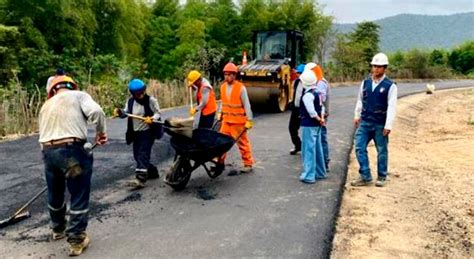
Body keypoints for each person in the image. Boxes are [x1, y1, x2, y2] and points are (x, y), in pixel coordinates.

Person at [39, 75, 107, 256]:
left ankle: (58, 229)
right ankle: (77, 239)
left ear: (52, 90)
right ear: (72, 86)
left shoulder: (46, 105)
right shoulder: (79, 95)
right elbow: (97, 112)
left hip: (48, 152)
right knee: (78, 192)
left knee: (55, 192)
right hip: (71, 151)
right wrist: (101, 133)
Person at [351, 53, 398, 187]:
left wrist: (388, 125)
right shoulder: (365, 83)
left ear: (384, 68)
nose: (376, 69)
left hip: (380, 123)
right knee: (359, 147)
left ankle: (382, 176)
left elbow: (392, 106)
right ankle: (365, 175)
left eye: (379, 67)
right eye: (374, 66)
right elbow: (360, 100)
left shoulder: (390, 86)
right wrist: (357, 115)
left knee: (381, 150)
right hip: (365, 121)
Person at [114, 79, 161, 189]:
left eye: (142, 92)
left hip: (148, 132)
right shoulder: (130, 102)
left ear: (144, 90)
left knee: (143, 153)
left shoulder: (151, 100)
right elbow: (126, 113)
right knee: (137, 155)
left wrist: (152, 118)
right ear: (132, 93)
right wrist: (119, 113)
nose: (140, 95)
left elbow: (158, 113)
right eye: (137, 94)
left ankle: (140, 179)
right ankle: (152, 172)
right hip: (135, 133)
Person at [215, 62, 254, 174]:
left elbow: (247, 104)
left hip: (238, 122)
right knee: (221, 143)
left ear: (234, 75)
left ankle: (248, 164)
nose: (226, 77)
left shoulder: (241, 88)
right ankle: (219, 162)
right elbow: (222, 102)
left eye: (228, 74)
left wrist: (249, 120)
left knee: (242, 144)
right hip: (226, 121)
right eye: (225, 74)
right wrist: (219, 113)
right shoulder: (222, 87)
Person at [298, 70, 326, 184]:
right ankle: (320, 172)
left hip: (308, 124)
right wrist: (322, 119)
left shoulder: (307, 96)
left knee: (308, 149)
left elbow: (311, 112)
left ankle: (309, 175)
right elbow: (322, 108)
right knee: (318, 148)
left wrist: (318, 118)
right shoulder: (317, 93)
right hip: (317, 125)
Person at [288, 64, 305, 155]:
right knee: (292, 128)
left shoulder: (308, 84)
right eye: (298, 73)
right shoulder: (296, 82)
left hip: (303, 110)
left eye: (300, 73)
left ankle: (308, 149)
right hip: (296, 109)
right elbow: (294, 94)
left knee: (306, 131)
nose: (298, 74)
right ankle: (298, 146)